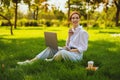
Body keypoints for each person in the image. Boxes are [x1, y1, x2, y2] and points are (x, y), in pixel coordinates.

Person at [17, 11, 89, 65]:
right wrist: (69, 36)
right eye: (73, 18)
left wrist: (70, 51)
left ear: (79, 19)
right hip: (68, 51)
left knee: (62, 52)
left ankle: (50, 61)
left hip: (76, 56)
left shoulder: (83, 32)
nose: (75, 20)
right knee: (51, 48)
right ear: (71, 20)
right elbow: (67, 45)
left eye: (77, 18)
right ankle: (31, 61)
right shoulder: (71, 30)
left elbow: (83, 48)